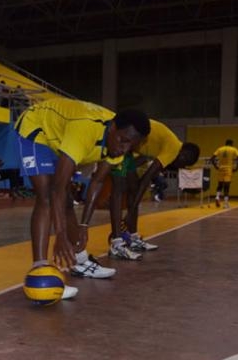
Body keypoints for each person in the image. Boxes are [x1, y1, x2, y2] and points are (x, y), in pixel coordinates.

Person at [14, 97, 149, 291]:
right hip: (36, 127)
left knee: (67, 202)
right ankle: (40, 271)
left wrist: (84, 225)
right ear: (112, 129)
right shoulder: (85, 130)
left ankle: (79, 260)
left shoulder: (118, 145)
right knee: (46, 197)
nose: (124, 149)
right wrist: (60, 235)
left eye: (131, 146)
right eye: (123, 141)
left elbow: (98, 182)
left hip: (61, 136)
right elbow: (57, 188)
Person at [84, 120, 199, 258]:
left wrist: (130, 212)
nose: (180, 166)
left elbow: (144, 161)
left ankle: (132, 237)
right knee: (119, 188)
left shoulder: (170, 145)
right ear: (184, 154)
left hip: (130, 150)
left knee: (133, 188)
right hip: (122, 142)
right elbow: (147, 178)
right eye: (183, 163)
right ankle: (116, 243)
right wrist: (129, 214)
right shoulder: (173, 149)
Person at [209, 139, 238, 209]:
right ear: (231, 144)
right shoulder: (233, 149)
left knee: (220, 184)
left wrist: (216, 166)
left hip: (221, 168)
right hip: (228, 169)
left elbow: (212, 158)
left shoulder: (220, 149)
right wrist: (236, 168)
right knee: (227, 186)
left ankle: (217, 196)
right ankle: (225, 203)